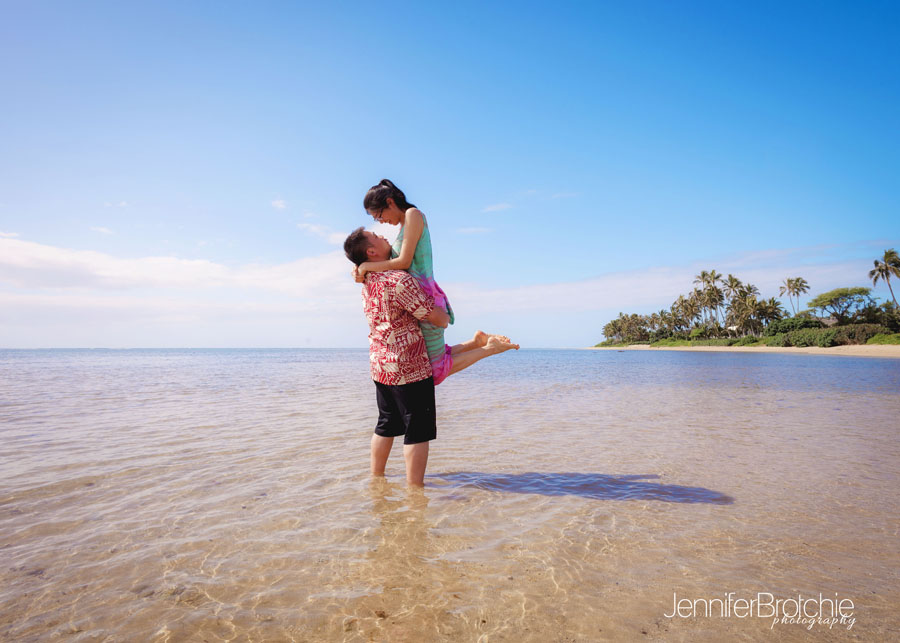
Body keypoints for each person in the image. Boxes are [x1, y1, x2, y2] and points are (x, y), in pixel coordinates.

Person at [344, 227, 517, 486]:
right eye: (378, 237)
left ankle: (376, 480)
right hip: (409, 367)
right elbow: (433, 316)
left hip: (381, 365)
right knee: (417, 431)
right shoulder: (397, 280)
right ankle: (416, 490)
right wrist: (445, 318)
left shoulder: (367, 280)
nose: (385, 237)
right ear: (371, 251)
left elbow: (363, 273)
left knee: (386, 424)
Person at [354, 179, 517, 384]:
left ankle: (489, 348)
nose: (381, 221)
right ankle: (477, 341)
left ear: (390, 202)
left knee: (435, 371)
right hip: (417, 301)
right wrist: (360, 268)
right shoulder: (403, 226)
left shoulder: (413, 215)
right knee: (429, 360)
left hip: (427, 299)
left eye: (379, 215)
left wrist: (366, 266)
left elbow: (403, 262)